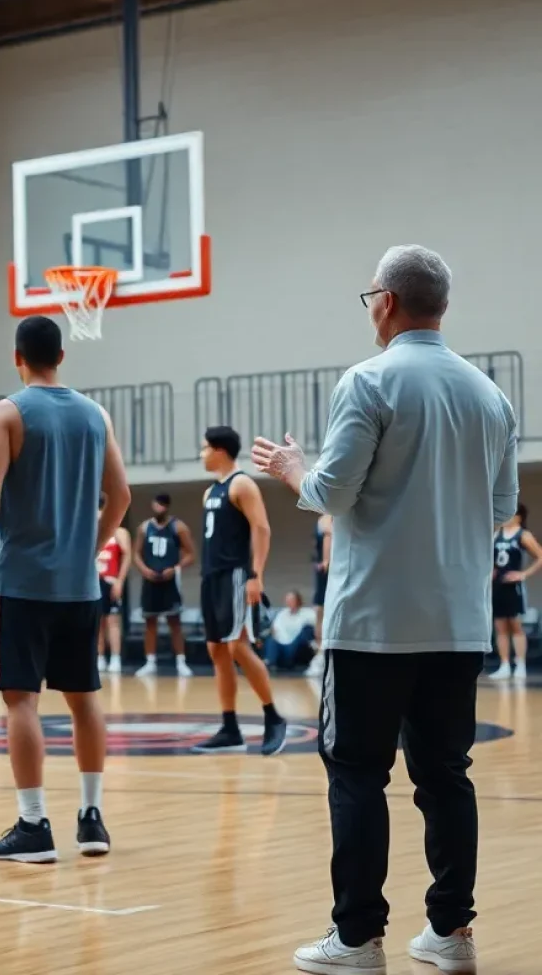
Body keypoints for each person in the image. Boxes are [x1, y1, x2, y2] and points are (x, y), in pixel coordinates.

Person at [253, 245, 517, 975]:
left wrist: (291, 467)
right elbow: (501, 508)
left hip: (372, 624)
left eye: (368, 293)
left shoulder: (368, 381)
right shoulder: (490, 396)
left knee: (357, 775)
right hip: (458, 623)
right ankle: (451, 934)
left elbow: (330, 494)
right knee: (445, 776)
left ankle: (358, 939)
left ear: (387, 301)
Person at [0, 315, 130, 863]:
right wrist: (91, 546)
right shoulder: (95, 414)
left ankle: (34, 825)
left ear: (18, 357)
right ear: (62, 355)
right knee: (85, 701)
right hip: (80, 586)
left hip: (23, 583)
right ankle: (91, 819)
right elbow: (122, 495)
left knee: (21, 700)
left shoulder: (6, 412)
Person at [194, 426, 288, 756]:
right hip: (211, 578)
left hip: (235, 576)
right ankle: (230, 728)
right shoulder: (210, 492)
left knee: (238, 646)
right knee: (217, 651)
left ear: (220, 450)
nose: (202, 453)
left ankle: (274, 717)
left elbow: (261, 528)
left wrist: (255, 575)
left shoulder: (242, 484)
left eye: (206, 448)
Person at [133, 494, 196, 677]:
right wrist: (144, 570)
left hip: (170, 581)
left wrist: (175, 568)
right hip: (150, 579)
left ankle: (181, 662)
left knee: (174, 622)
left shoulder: (178, 527)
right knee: (150, 622)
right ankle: (150, 662)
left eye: (162, 505)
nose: (159, 508)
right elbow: (136, 554)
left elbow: (191, 554)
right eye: (156, 504)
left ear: (167, 507)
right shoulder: (144, 528)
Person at [489, 503, 541, 681]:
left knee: (516, 626)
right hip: (498, 585)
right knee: (500, 626)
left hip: (514, 587)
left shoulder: (523, 535)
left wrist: (523, 574)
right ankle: (504, 664)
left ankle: (520, 664)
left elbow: (540, 556)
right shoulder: (498, 534)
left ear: (519, 516)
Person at [96, 498, 132, 675]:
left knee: (113, 621)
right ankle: (100, 657)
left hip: (111, 579)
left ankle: (116, 658)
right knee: (97, 621)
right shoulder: (92, 530)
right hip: (94, 580)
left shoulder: (119, 532)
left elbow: (127, 556)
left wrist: (120, 580)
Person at [306, 515, 332, 678]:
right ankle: (321, 653)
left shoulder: (329, 519)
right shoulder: (322, 519)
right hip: (322, 571)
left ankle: (324, 654)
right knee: (319, 610)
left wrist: (326, 561)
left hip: (329, 570)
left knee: (323, 610)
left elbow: (329, 537)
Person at [264, 591, 317, 671]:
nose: (289, 602)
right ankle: (270, 662)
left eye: (291, 600)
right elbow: (275, 629)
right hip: (282, 644)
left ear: (298, 601)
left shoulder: (308, 613)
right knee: (271, 640)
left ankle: (290, 661)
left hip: (297, 644)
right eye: (287, 600)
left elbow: (316, 626)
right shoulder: (282, 614)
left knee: (307, 629)